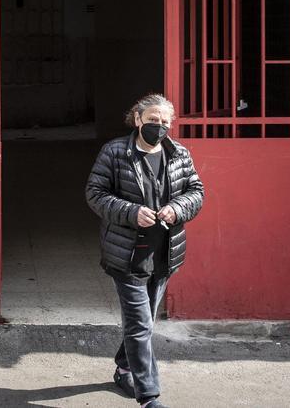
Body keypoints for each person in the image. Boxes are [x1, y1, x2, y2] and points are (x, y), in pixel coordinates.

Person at [84, 93, 205, 408]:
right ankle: (149, 396)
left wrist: (177, 208)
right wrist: (130, 211)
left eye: (165, 121)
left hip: (164, 254)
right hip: (127, 255)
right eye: (153, 120)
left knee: (145, 321)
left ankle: (125, 367)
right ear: (137, 119)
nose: (160, 126)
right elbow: (95, 193)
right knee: (139, 324)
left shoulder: (178, 153)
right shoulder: (115, 152)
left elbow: (196, 192)